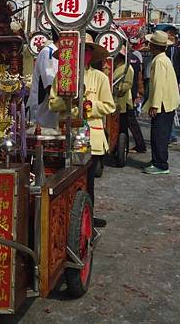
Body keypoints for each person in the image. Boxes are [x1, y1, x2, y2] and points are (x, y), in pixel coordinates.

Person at [50, 34, 115, 227]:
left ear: (90, 54)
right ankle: (66, 219)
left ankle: (88, 217)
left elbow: (109, 106)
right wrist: (69, 100)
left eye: (85, 51)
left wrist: (89, 105)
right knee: (64, 179)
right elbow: (53, 104)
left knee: (88, 182)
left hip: (91, 137)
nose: (81, 55)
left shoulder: (99, 77)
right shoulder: (62, 77)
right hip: (65, 134)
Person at [142, 31, 180, 175]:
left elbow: (159, 84)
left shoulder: (159, 61)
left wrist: (155, 105)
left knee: (159, 135)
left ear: (153, 45)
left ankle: (161, 164)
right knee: (159, 134)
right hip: (168, 102)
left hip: (163, 103)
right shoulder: (163, 59)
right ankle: (157, 160)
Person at [27, 29, 59, 128]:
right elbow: (50, 86)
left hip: (53, 114)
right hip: (43, 116)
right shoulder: (49, 52)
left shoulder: (60, 53)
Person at [113, 48, 135, 151]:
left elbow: (128, 84)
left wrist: (117, 87)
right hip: (114, 100)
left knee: (122, 126)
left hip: (123, 100)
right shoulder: (115, 67)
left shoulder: (127, 68)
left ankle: (122, 148)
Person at [127, 42, 147, 153]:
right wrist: (139, 92)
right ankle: (140, 145)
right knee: (131, 121)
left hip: (126, 94)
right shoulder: (135, 57)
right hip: (133, 92)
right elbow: (139, 75)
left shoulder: (123, 58)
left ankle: (140, 145)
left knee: (130, 120)